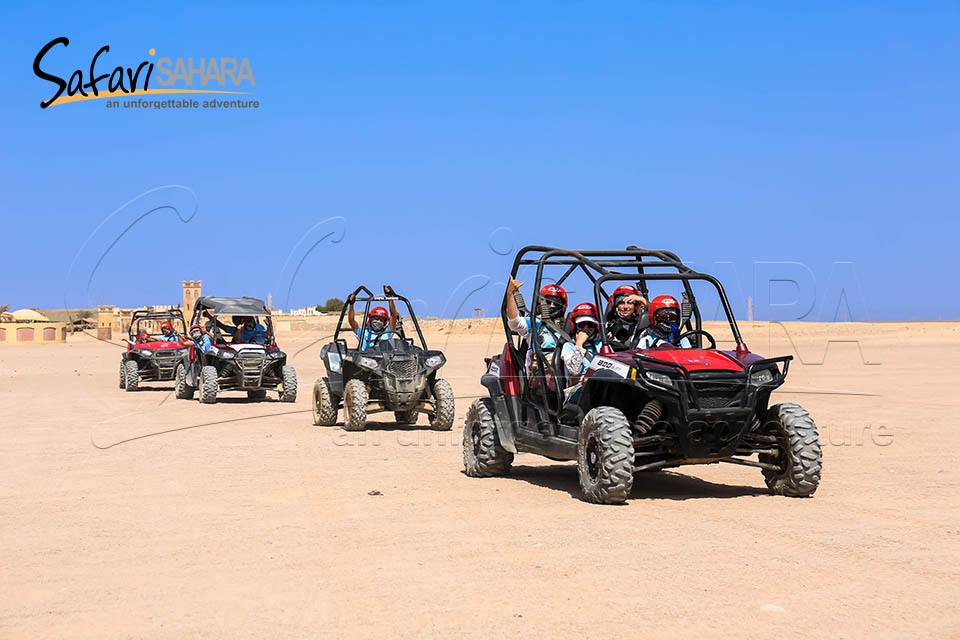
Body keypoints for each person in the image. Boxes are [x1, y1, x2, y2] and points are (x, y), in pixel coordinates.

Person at [505, 275, 568, 372]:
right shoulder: (535, 322)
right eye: (548, 301)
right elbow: (514, 323)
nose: (552, 305)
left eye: (557, 302)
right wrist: (510, 294)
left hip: (566, 373)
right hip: (541, 375)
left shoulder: (569, 325)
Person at [560, 302, 603, 382]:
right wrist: (579, 345)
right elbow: (575, 371)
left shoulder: (601, 345)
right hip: (578, 389)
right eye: (581, 325)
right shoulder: (568, 346)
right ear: (575, 326)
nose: (585, 329)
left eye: (590, 325)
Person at [605, 284, 648, 348]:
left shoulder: (642, 325)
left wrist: (643, 301)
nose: (625, 307)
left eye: (630, 303)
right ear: (616, 305)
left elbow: (658, 313)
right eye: (621, 303)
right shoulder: (607, 326)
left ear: (636, 306)